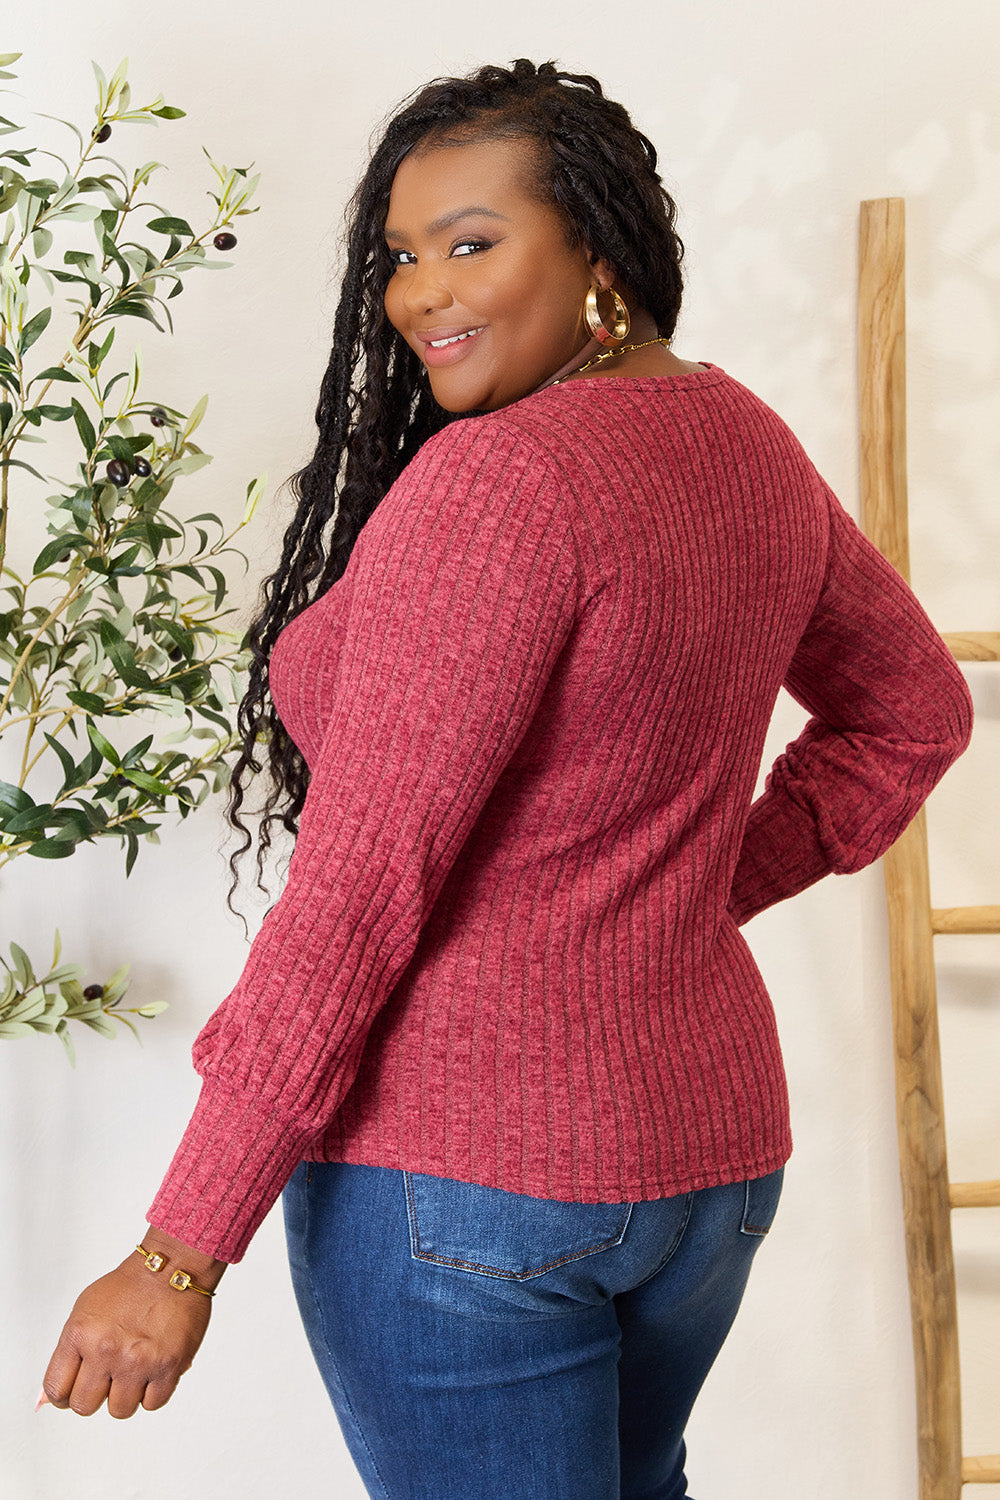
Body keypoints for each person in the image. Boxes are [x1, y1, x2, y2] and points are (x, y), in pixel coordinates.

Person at [41, 59, 973, 1500]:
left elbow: (355, 897)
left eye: (474, 243)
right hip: (705, 1175)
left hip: (469, 1186)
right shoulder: (750, 444)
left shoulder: (502, 486)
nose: (422, 295)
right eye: (403, 257)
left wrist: (180, 1249)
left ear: (598, 246)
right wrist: (682, 894)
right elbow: (912, 715)